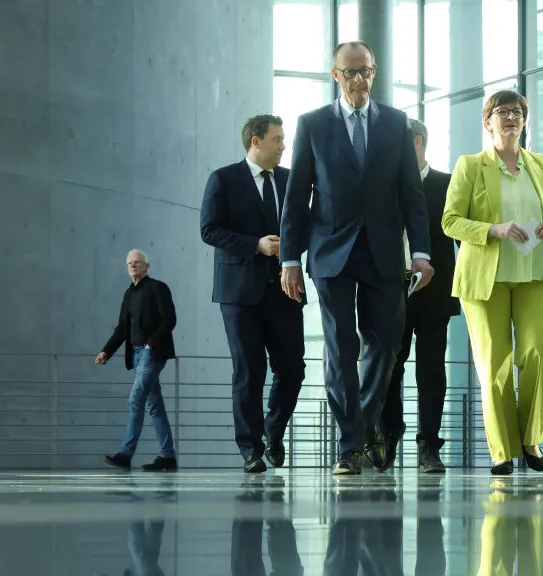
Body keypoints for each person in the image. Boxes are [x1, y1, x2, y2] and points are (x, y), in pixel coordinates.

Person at [280, 40, 435, 476]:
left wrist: (420, 252)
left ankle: (364, 425)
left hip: (383, 253)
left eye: (365, 70)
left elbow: (412, 195)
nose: (359, 79)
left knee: (386, 343)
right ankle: (349, 446)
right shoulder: (312, 124)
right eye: (350, 72)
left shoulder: (396, 124)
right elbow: (297, 197)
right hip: (331, 252)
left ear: (374, 71)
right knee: (340, 347)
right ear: (336, 75)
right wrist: (289, 259)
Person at [442, 90, 543, 475]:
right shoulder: (470, 166)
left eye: (517, 112)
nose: (511, 117)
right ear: (488, 121)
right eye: (502, 112)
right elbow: (450, 221)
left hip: (534, 277)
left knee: (540, 355)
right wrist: (493, 229)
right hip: (486, 281)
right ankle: (502, 452)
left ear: (524, 121)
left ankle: (531, 439)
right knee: (495, 364)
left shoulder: (541, 164)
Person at [200, 114, 306, 474]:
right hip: (238, 291)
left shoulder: (290, 180)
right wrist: (255, 245)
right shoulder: (224, 179)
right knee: (249, 370)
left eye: (284, 139)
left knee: (293, 369)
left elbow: (305, 226)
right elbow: (209, 229)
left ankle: (273, 429)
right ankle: (250, 449)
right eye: (277, 139)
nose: (283, 146)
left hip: (285, 289)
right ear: (255, 142)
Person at [379, 118, 459, 474]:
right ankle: (389, 434)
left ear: (415, 141)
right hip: (391, 291)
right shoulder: (384, 186)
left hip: (436, 291)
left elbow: (463, 237)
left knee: (431, 372)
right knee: (388, 369)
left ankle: (429, 446)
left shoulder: (449, 184)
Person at [97, 249, 178, 471]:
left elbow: (169, 319)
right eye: (129, 263)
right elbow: (122, 328)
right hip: (136, 355)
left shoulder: (157, 288)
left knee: (135, 399)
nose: (133, 265)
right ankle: (167, 457)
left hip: (152, 353)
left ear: (146, 266)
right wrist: (106, 351)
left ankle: (125, 454)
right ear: (127, 268)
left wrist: (151, 343)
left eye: (137, 262)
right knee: (154, 406)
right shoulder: (128, 294)